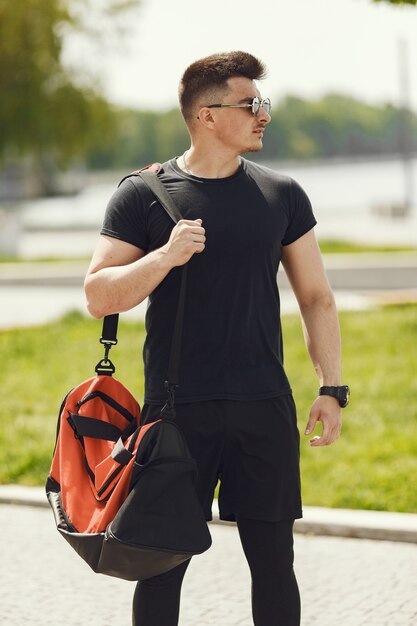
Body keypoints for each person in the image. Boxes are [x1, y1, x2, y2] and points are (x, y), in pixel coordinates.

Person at [84, 51, 349, 626]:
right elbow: (99, 295)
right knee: (160, 567)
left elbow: (316, 298)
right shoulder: (142, 194)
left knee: (275, 565)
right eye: (252, 104)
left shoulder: (282, 195)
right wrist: (165, 256)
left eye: (264, 104)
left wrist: (333, 387)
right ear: (207, 115)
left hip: (263, 406)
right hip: (176, 414)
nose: (264, 116)